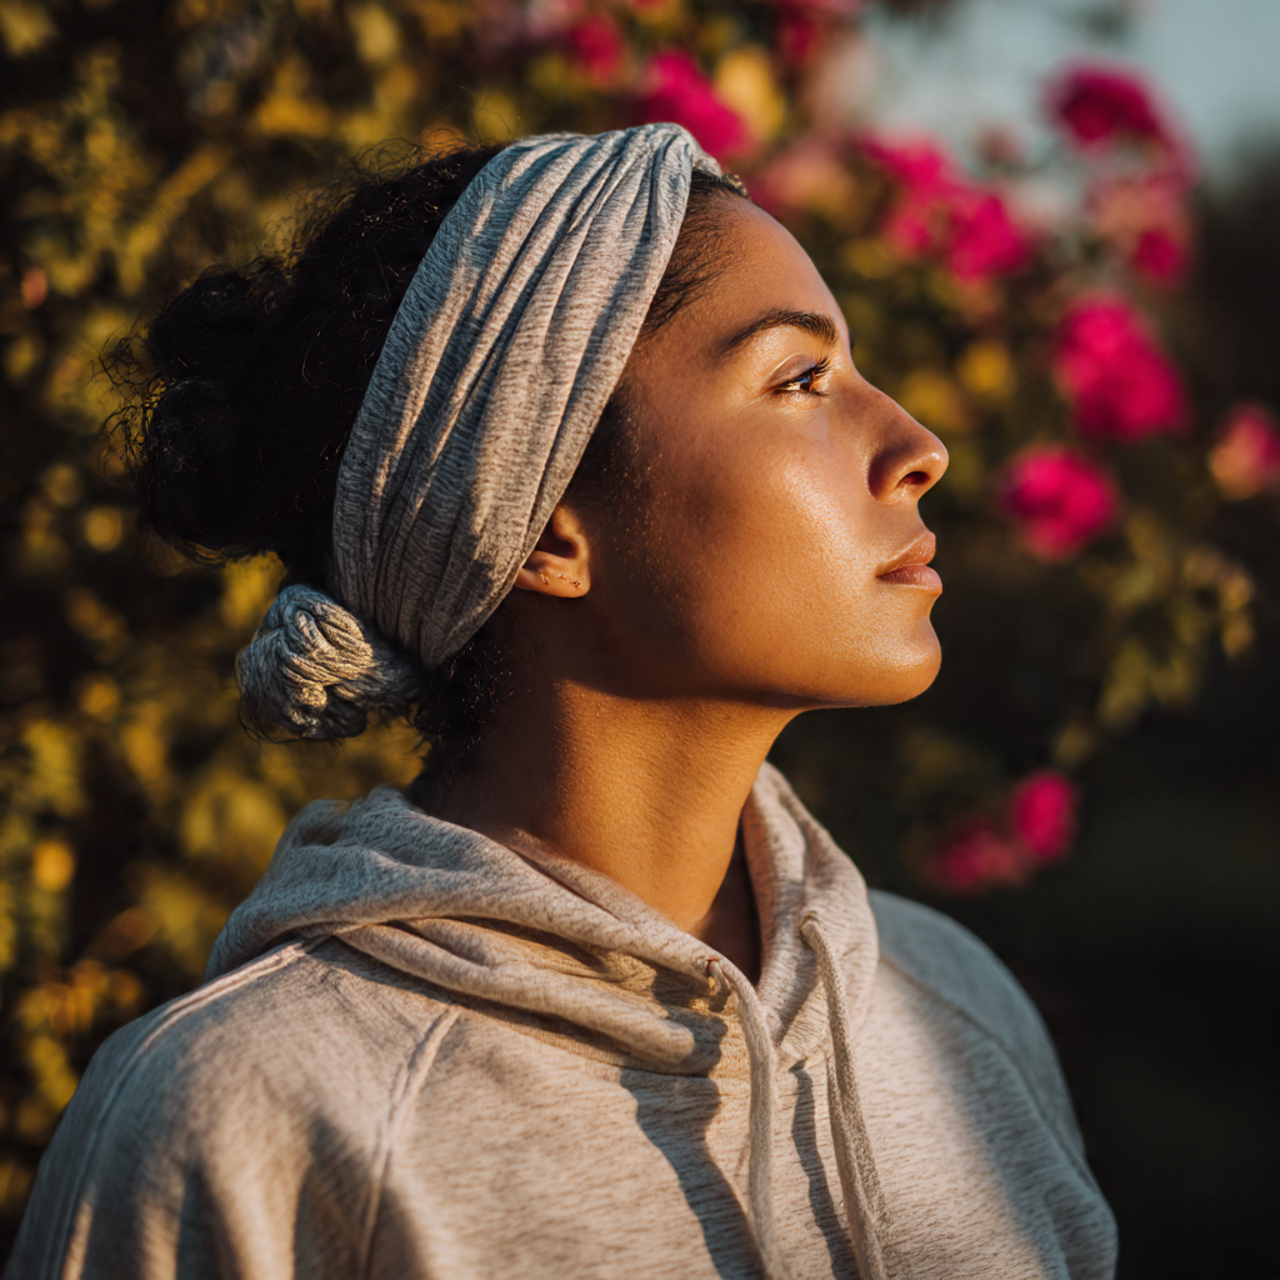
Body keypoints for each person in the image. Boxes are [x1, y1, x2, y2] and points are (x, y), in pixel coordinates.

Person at [9, 124, 1117, 1279]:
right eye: (799, 379)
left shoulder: (952, 1006)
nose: (917, 445)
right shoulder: (245, 1113)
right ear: (542, 530)